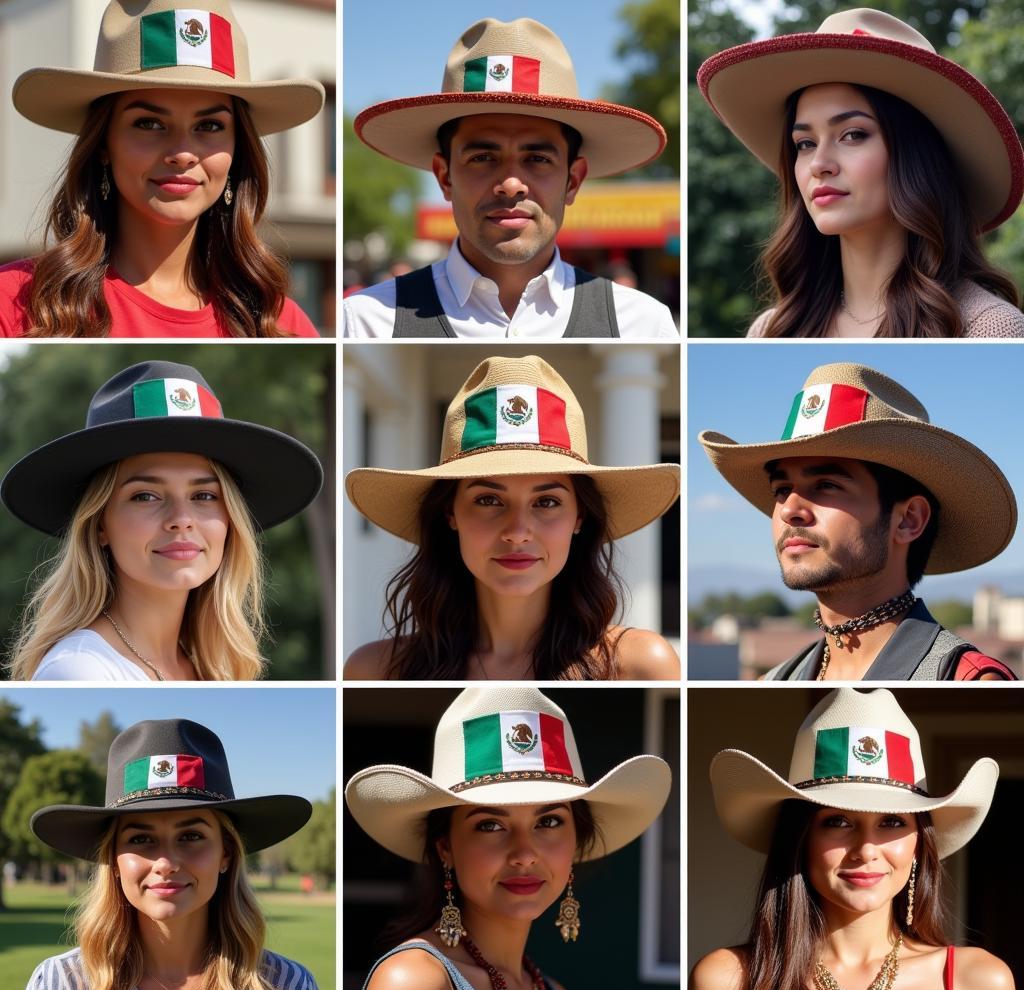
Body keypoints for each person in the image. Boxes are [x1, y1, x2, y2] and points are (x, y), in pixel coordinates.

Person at [689, 686, 1017, 990]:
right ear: (800, 840)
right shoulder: (728, 982)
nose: (866, 850)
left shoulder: (980, 982)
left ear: (920, 843)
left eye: (891, 821)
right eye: (838, 821)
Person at [346, 686, 673, 990]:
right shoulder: (413, 983)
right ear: (446, 848)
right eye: (490, 825)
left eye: (548, 821)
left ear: (576, 841)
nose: (524, 854)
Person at [344, 354, 680, 680]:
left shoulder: (640, 666)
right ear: (450, 513)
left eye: (546, 502)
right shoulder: (376, 671)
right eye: (489, 499)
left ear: (580, 517)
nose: (518, 532)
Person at [0, 0, 324, 337]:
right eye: (149, 123)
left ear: (237, 149)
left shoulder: (280, 323)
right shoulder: (15, 304)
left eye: (210, 126)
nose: (182, 153)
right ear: (102, 145)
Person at [343, 17, 678, 339]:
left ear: (573, 181)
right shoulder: (367, 321)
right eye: (483, 158)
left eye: (537, 159)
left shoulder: (642, 325)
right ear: (444, 177)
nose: (511, 184)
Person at [697, 8, 1024, 338]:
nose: (819, 163)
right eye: (805, 143)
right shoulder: (772, 331)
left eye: (852, 135)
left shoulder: (986, 328)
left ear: (916, 156)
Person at [1, 360, 323, 680]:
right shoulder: (81, 671)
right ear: (100, 525)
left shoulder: (210, 667)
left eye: (205, 496)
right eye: (145, 496)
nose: (181, 520)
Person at [698, 361, 1017, 680]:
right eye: (781, 489)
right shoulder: (775, 682)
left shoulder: (968, 681)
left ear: (908, 520)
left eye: (826, 485)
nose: (788, 509)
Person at [12, 717, 327, 990]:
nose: (165, 862)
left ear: (226, 854)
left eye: (191, 836)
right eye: (141, 839)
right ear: (114, 859)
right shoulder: (57, 987)